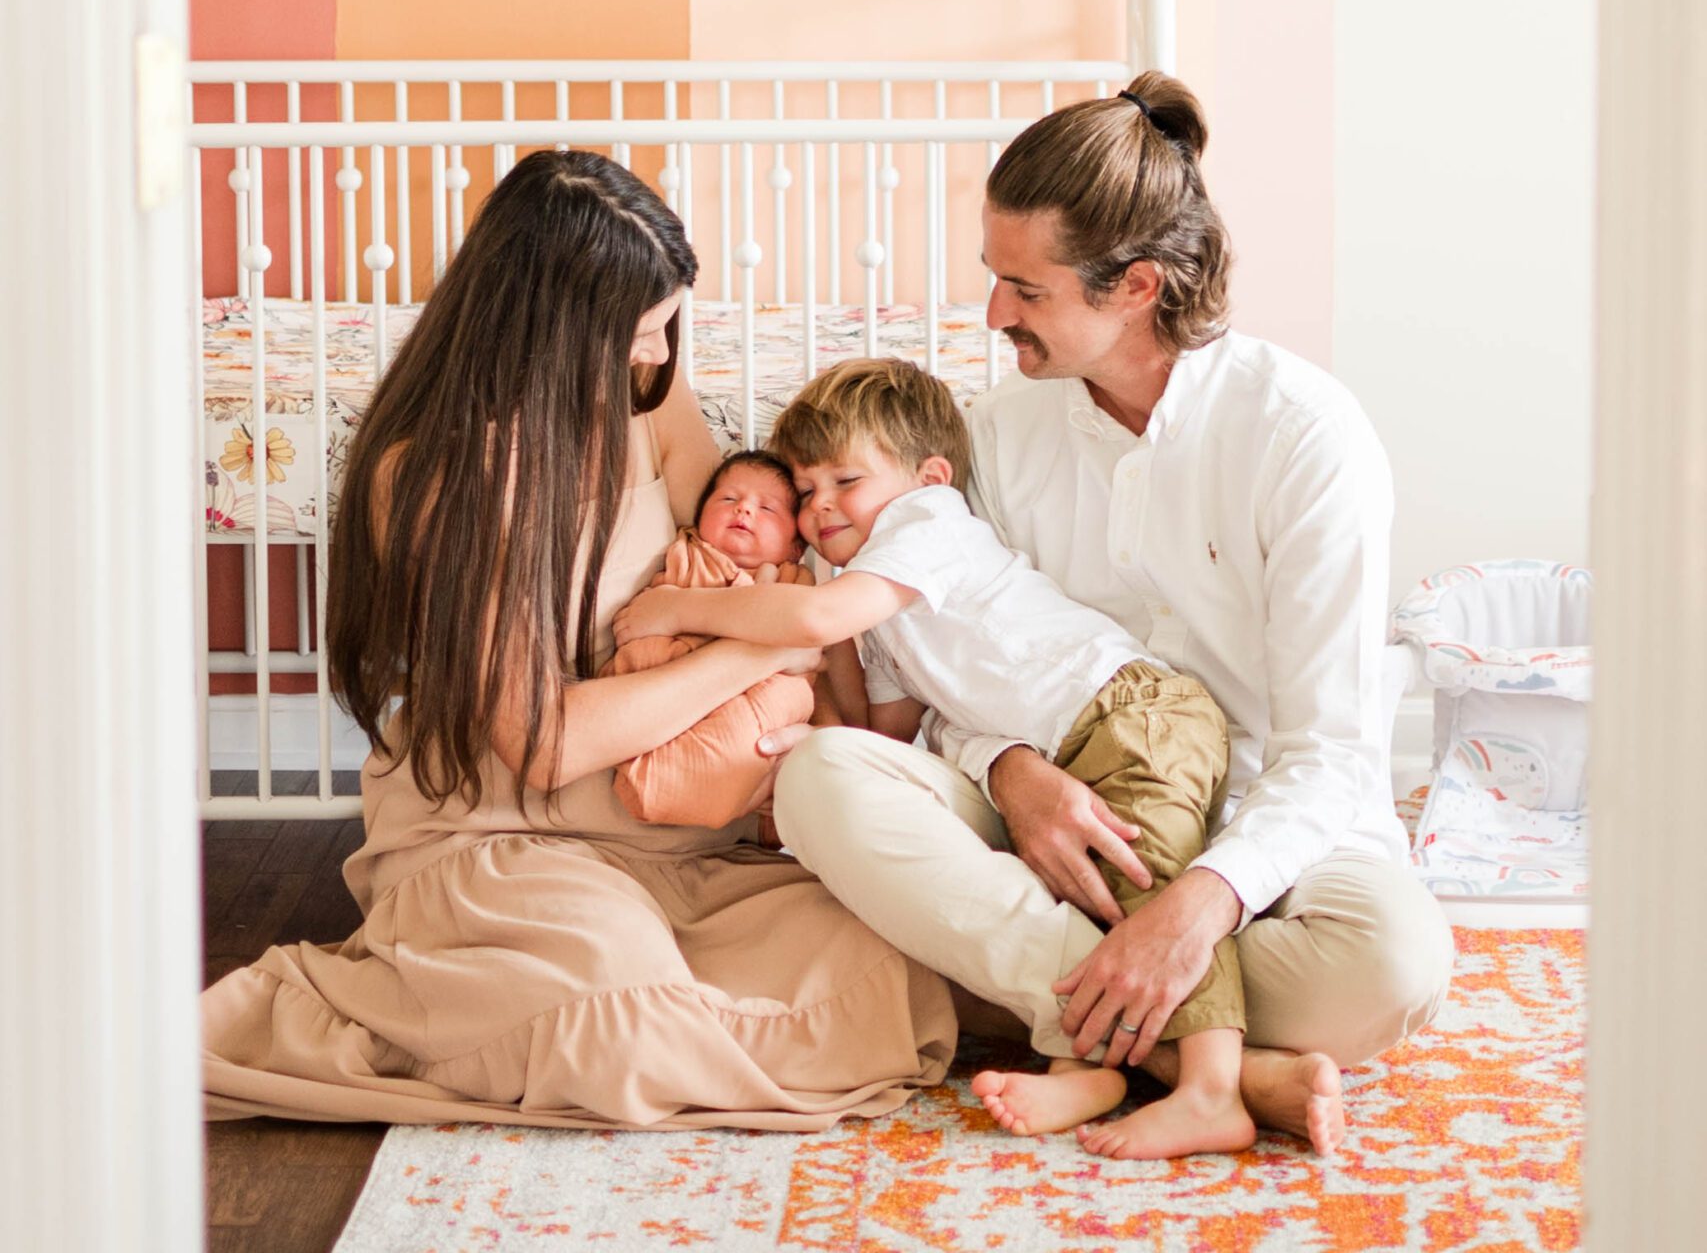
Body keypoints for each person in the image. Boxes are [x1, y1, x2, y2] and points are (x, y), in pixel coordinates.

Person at [765, 75, 1455, 1157]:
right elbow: (946, 667)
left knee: (1394, 967)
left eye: (1023, 290)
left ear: (1135, 285)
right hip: (1052, 821)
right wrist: (1010, 773)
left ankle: (1073, 1004)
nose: (992, 315)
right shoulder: (991, 437)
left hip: (1259, 830)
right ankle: (1202, 1062)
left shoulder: (1304, 436)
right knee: (817, 779)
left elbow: (1328, 751)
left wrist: (1203, 905)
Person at [200, 151, 953, 1131]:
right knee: (617, 1027)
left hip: (682, 828)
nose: (657, 356)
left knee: (882, 960)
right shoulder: (434, 473)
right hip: (505, 833)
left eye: (667, 329)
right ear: (562, 327)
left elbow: (758, 564)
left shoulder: (651, 404)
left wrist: (796, 627)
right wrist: (765, 650)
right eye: (640, 333)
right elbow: (546, 743)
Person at [616, 357, 1256, 1160]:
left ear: (929, 475)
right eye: (806, 494)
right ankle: (1084, 1065)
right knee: (1093, 900)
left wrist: (685, 605)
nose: (821, 509)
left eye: (844, 481)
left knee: (1150, 893)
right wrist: (813, 685)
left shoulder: (926, 525)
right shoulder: (876, 603)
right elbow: (880, 729)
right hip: (1060, 749)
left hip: (1131, 713)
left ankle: (1213, 1092)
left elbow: (819, 614)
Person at [605, 448, 861, 827]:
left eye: (767, 509)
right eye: (728, 499)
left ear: (795, 547)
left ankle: (749, 795)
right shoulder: (689, 559)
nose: (743, 510)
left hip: (759, 724)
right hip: (679, 696)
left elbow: (815, 677)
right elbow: (644, 643)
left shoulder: (801, 586)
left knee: (793, 703)